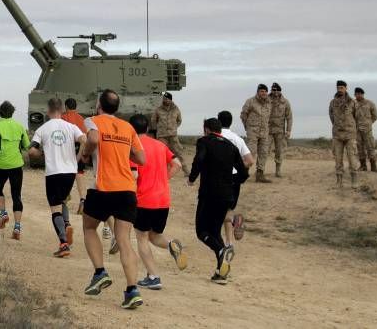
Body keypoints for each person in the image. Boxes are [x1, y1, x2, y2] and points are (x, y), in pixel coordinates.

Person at [79, 89, 146, 310]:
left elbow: (93, 138)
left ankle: (100, 273)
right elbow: (141, 158)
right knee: (124, 240)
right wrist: (121, 151)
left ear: (99, 104)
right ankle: (132, 290)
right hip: (127, 189)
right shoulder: (128, 127)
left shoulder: (92, 120)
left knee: (89, 228)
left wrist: (87, 154)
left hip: (104, 187)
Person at [128, 114, 187, 290]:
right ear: (147, 128)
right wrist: (163, 179)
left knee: (142, 237)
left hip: (144, 199)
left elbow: (134, 175)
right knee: (154, 236)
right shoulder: (160, 145)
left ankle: (154, 276)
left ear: (131, 129)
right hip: (163, 199)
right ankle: (171, 246)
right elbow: (176, 164)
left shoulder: (133, 149)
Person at [188, 118, 249, 285]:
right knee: (214, 232)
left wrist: (192, 178)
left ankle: (222, 251)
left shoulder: (204, 141)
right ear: (220, 130)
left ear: (206, 129)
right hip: (227, 195)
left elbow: (199, 159)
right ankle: (221, 272)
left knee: (202, 231)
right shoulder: (231, 146)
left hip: (209, 194)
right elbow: (244, 174)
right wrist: (229, 178)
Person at [28, 98, 86, 258]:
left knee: (55, 208)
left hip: (53, 172)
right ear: (62, 110)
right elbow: (84, 140)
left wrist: (41, 153)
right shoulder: (71, 126)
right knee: (62, 200)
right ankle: (66, 225)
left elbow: (32, 151)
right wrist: (78, 157)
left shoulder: (42, 129)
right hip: (70, 171)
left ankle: (63, 243)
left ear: (48, 111)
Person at [0, 101, 30, 241]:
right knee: (16, 195)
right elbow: (27, 145)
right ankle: (17, 227)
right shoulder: (20, 127)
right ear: (12, 112)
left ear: (0, 112)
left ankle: (3, 213)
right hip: (17, 165)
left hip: (1, 165)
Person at [218, 110, 255, 250]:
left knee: (217, 210)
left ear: (218, 121)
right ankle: (229, 243)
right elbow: (250, 161)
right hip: (234, 178)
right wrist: (236, 166)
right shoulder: (238, 139)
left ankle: (234, 222)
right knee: (228, 209)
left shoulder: (215, 137)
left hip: (219, 178)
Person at [240, 84, 273, 183]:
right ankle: (243, 173)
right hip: (253, 131)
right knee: (251, 152)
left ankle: (260, 174)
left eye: (265, 91)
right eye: (262, 91)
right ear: (258, 92)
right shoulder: (250, 101)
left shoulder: (268, 103)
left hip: (264, 132)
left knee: (263, 153)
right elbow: (243, 115)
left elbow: (268, 117)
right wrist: (248, 126)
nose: (264, 93)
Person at [62, 97, 89, 215]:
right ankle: (83, 200)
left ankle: (65, 196)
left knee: (65, 173)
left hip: (66, 149)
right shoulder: (81, 119)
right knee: (79, 174)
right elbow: (85, 137)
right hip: (80, 148)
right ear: (76, 107)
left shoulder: (63, 118)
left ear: (66, 107)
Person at [329, 80, 358, 188]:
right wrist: (337, 126)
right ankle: (339, 181)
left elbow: (356, 117)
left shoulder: (352, 102)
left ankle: (354, 181)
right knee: (338, 159)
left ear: (346, 88)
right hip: (337, 135)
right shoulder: (332, 102)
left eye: (342, 88)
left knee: (352, 158)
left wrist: (350, 126)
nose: (339, 90)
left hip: (350, 134)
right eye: (338, 88)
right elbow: (331, 116)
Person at [152, 92, 188, 175]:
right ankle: (162, 172)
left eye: (167, 98)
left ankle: (186, 171)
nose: (165, 100)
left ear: (170, 100)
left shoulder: (176, 109)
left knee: (179, 153)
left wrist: (174, 127)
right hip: (162, 136)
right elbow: (153, 120)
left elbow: (179, 120)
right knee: (161, 154)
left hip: (173, 135)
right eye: (164, 98)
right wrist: (158, 129)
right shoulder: (158, 110)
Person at [267, 83, 293, 178]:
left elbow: (289, 117)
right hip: (267, 130)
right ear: (271, 90)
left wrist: (288, 130)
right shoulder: (266, 100)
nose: (275, 92)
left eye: (277, 90)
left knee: (279, 151)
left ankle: (278, 170)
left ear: (280, 91)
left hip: (279, 130)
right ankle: (260, 170)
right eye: (274, 90)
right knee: (264, 150)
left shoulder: (285, 102)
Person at [354, 87, 377, 172]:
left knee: (370, 147)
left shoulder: (370, 103)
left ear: (362, 94)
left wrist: (368, 123)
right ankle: (363, 166)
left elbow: (375, 116)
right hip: (357, 129)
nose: (358, 95)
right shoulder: (353, 104)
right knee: (359, 148)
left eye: (359, 94)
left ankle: (373, 166)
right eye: (356, 94)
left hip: (367, 130)